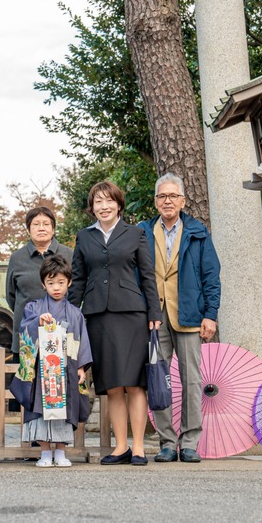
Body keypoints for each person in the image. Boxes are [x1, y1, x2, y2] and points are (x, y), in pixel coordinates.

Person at [68, 180, 161, 466]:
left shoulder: (135, 234)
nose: (103, 206)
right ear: (92, 207)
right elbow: (78, 280)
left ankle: (138, 447)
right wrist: (70, 315)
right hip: (98, 316)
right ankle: (120, 447)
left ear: (119, 204)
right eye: (98, 202)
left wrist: (154, 313)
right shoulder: (84, 237)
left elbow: (147, 275)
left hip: (132, 315)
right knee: (112, 386)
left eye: (109, 201)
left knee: (134, 383)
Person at [138, 173, 221, 464]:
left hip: (189, 314)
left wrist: (210, 314)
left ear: (183, 200)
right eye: (162, 196)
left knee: (192, 380)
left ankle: (189, 442)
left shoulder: (197, 232)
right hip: (155, 317)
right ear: (156, 201)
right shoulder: (144, 231)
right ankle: (166, 441)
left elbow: (211, 276)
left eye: (173, 196)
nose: (168, 201)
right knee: (158, 378)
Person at [12, 254, 93, 468]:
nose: (56, 287)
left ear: (69, 282)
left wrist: (82, 367)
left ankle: (61, 451)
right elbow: (24, 329)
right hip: (42, 372)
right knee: (40, 408)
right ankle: (45, 452)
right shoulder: (33, 308)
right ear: (43, 284)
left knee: (64, 409)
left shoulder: (76, 314)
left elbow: (82, 341)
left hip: (65, 370)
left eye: (60, 282)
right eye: (50, 283)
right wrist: (37, 321)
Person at [5, 206, 73, 355]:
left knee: (59, 375)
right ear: (28, 230)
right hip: (27, 332)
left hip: (61, 330)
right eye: (36, 224)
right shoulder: (17, 258)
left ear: (53, 229)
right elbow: (11, 296)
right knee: (27, 377)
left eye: (46, 224)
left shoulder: (68, 254)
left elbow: (75, 291)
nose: (41, 228)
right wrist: (29, 313)